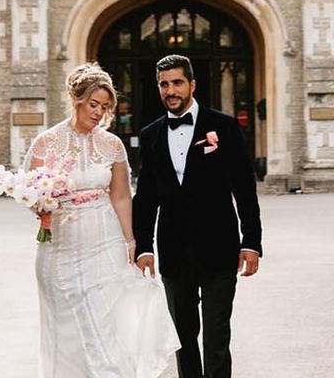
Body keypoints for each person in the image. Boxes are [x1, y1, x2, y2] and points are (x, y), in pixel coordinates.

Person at [24, 62, 179, 378]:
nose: (99, 112)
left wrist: (132, 240)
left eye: (106, 107)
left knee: (105, 319)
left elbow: (121, 195)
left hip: (103, 239)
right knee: (65, 321)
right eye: (94, 104)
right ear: (77, 99)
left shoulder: (112, 145)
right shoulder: (46, 142)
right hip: (60, 243)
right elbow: (33, 193)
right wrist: (41, 206)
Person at [132, 54, 263, 378]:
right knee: (183, 337)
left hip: (219, 248)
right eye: (164, 84)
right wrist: (144, 246)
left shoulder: (225, 127)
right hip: (174, 252)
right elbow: (146, 196)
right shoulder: (150, 134)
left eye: (177, 83)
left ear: (192, 84)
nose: (170, 90)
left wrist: (252, 242)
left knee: (217, 335)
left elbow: (244, 191)